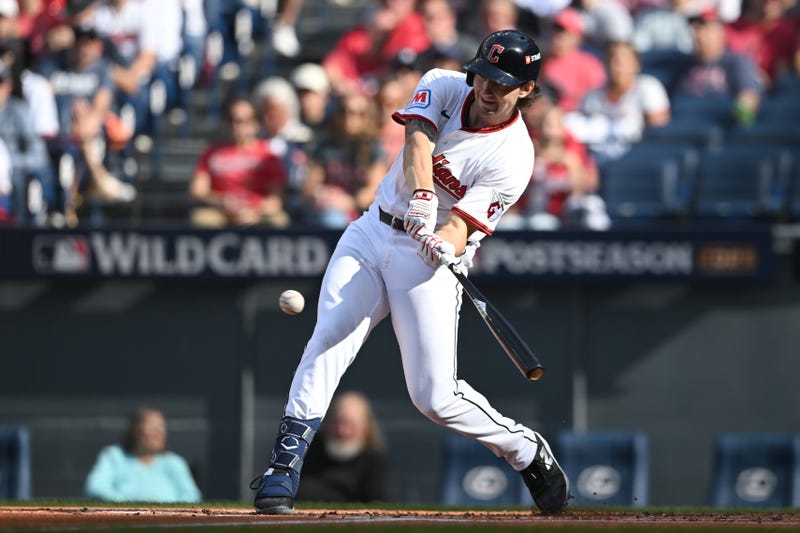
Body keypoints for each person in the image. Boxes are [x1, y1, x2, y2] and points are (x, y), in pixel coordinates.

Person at [251, 29, 569, 516]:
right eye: (484, 74)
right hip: (372, 230)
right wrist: (422, 195)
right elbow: (418, 136)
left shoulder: (514, 155)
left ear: (526, 90)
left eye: (502, 84)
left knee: (434, 398)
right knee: (331, 335)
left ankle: (525, 450)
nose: (487, 89)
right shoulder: (443, 82)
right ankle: (283, 468)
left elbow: (462, 226)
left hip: (427, 260)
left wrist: (444, 241)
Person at [565, 40, 670, 165]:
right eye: (612, 58)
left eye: (625, 59)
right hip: (597, 165)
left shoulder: (649, 88)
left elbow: (659, 136)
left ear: (636, 63)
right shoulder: (592, 96)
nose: (618, 64)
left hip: (638, 163)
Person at [189, 96, 289, 228]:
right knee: (201, 219)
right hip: (221, 211)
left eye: (243, 121)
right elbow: (197, 191)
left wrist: (254, 212)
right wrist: (222, 202)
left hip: (258, 212)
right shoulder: (212, 153)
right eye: (232, 120)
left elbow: (276, 199)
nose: (236, 126)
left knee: (279, 220)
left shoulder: (268, 155)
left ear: (255, 124)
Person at [85, 406, 202, 503]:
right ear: (136, 430)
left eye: (161, 427)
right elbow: (96, 488)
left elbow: (192, 495)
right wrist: (130, 508)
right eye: (152, 427)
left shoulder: (174, 462)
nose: (159, 432)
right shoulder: (114, 456)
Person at [296, 391, 391, 503]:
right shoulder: (308, 451)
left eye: (349, 424)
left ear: (365, 427)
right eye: (336, 422)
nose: (341, 431)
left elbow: (377, 506)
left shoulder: (376, 463)